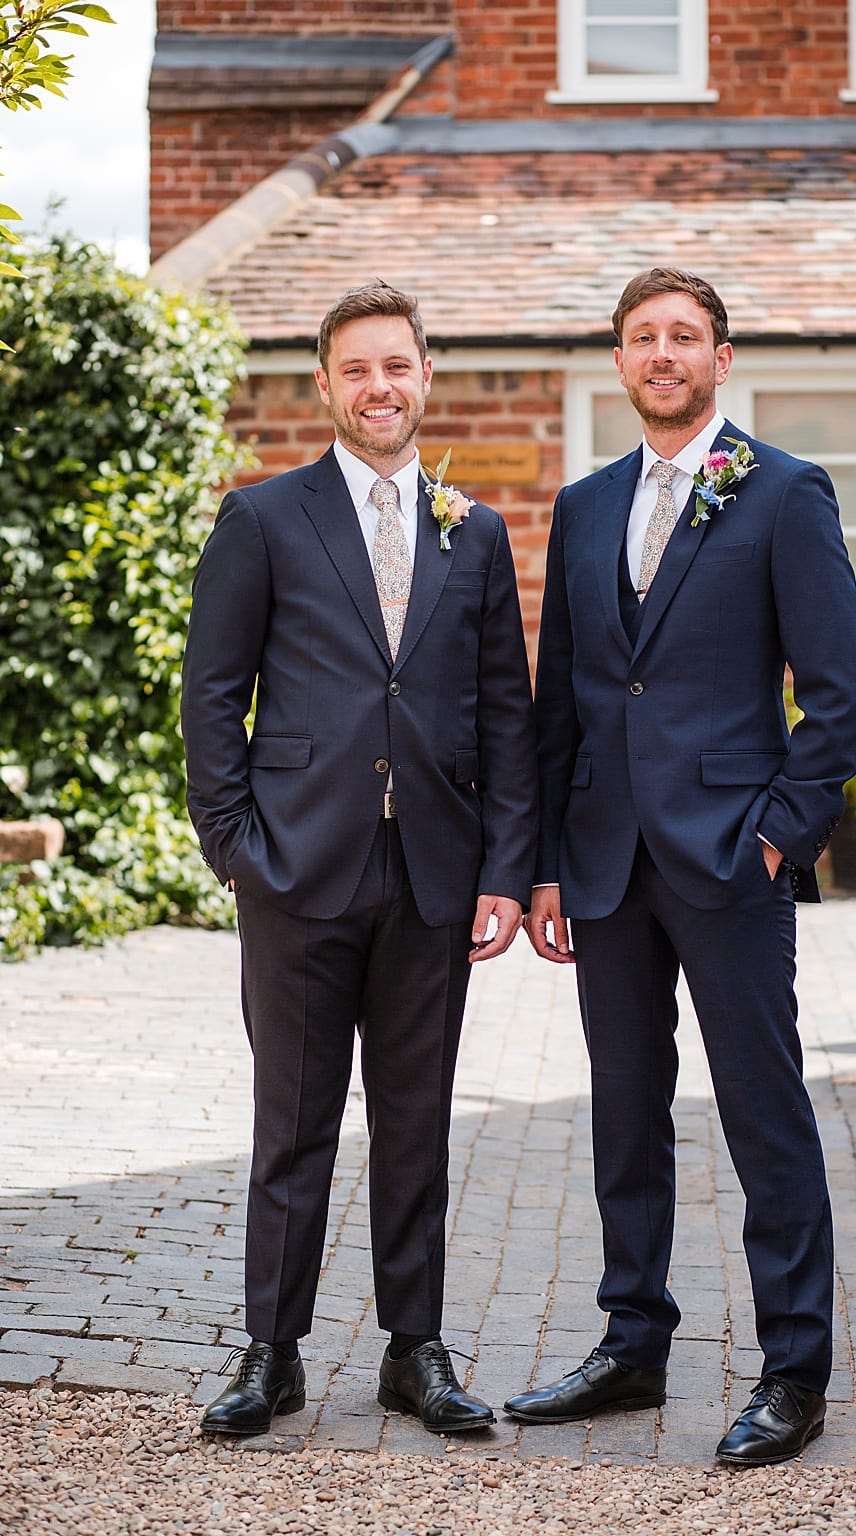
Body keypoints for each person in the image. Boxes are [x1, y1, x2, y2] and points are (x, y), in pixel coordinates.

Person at [504, 268, 856, 1466]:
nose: (660, 353)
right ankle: (632, 1345)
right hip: (606, 866)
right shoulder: (583, 505)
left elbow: (838, 698)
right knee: (625, 1116)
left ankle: (793, 1368)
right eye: (640, 337)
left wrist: (776, 836)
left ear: (720, 359)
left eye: (683, 336)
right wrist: (551, 863)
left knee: (764, 1118)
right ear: (619, 360)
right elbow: (561, 698)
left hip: (731, 864)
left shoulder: (782, 493)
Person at [181, 280, 537, 1438]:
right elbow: (211, 698)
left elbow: (503, 714)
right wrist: (235, 847)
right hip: (296, 870)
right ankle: (270, 1353)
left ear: (424, 377)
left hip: (433, 875)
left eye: (397, 366)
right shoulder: (263, 520)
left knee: (416, 1117)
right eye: (356, 370)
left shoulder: (472, 532)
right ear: (326, 384)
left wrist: (500, 867)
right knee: (292, 1119)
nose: (378, 388)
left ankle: (413, 1350)